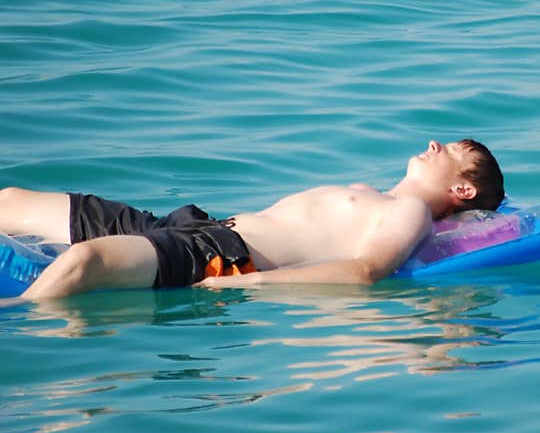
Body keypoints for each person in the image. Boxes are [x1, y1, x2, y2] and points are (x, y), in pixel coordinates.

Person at [1, 139, 505, 299]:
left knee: (86, 261)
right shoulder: (369, 192)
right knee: (12, 200)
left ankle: (15, 316)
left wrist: (252, 285)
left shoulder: (410, 211)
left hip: (220, 256)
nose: (434, 144)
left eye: (451, 150)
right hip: (194, 225)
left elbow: (364, 272)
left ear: (461, 188)